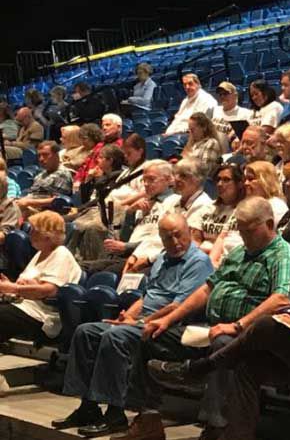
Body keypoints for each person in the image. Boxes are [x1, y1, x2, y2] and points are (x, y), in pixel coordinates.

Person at [144, 197, 290, 440]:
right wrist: (168, 319)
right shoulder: (240, 252)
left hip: (249, 336)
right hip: (210, 327)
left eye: (249, 231)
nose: (244, 237)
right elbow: (207, 288)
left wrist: (237, 325)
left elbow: (282, 299)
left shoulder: (282, 255)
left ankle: (217, 427)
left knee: (225, 345)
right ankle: (147, 418)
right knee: (151, 335)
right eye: (240, 231)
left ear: (270, 224)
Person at [56, 213, 213, 439]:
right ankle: (87, 407)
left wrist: (138, 322)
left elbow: (178, 307)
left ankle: (115, 412)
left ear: (189, 232)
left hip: (168, 325)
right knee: (86, 332)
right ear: (161, 238)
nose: (175, 242)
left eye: (179, 235)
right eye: (168, 238)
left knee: (116, 337)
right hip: (141, 320)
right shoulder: (161, 258)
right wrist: (126, 317)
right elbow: (147, 296)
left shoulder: (198, 262)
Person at [77, 160, 172, 273]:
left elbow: (158, 242)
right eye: (144, 180)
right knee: (79, 268)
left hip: (145, 257)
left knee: (101, 274)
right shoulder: (142, 204)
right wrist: (130, 213)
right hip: (126, 255)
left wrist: (127, 247)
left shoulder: (172, 203)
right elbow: (125, 238)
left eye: (151, 179)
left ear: (168, 179)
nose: (146, 184)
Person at [0, 211, 81, 343]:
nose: (29, 234)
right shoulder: (40, 254)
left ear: (47, 236)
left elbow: (50, 290)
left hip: (41, 315)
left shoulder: (61, 254)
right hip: (23, 305)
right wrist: (9, 286)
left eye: (34, 231)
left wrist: (12, 287)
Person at [192, 164, 245, 267]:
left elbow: (232, 245)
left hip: (223, 262)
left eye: (226, 180)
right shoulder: (207, 207)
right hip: (199, 257)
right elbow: (195, 238)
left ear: (239, 184)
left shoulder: (243, 211)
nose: (220, 184)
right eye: (218, 180)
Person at [15, 141, 73, 215]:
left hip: (46, 213)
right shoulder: (41, 174)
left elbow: (58, 201)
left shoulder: (62, 174)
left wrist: (28, 202)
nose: (41, 159)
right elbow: (33, 194)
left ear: (56, 155)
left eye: (45, 155)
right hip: (30, 207)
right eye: (39, 156)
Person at [74, 114, 124, 186]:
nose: (104, 128)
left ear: (118, 127)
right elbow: (85, 164)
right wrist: (78, 179)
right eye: (103, 125)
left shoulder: (121, 146)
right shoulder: (99, 145)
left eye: (108, 125)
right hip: (83, 183)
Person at [242, 161, 288, 226]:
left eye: (251, 179)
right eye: (245, 179)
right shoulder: (248, 205)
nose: (246, 183)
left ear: (265, 180)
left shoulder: (276, 206)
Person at [210, 81, 252, 149]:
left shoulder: (245, 114)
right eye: (220, 94)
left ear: (235, 95)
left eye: (226, 94)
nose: (222, 96)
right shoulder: (215, 110)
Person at [182, 112, 223, 177]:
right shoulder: (191, 145)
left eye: (192, 130)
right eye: (189, 130)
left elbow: (206, 169)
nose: (190, 133)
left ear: (204, 127)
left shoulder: (211, 143)